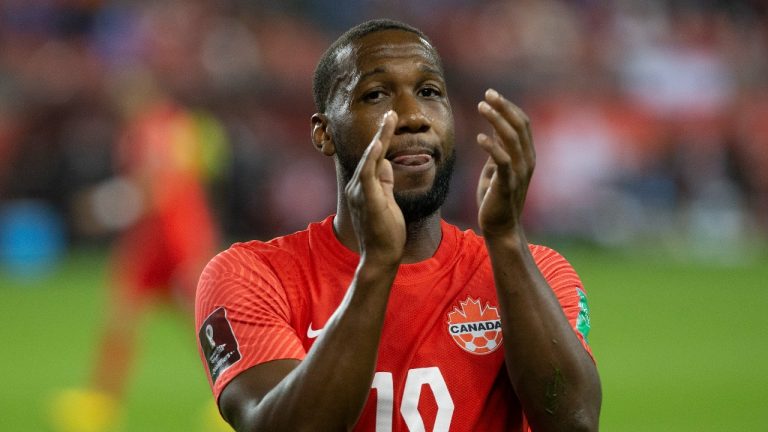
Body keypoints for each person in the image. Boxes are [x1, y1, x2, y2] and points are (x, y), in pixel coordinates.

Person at [195, 18, 601, 431]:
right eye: (375, 95)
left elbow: (576, 424)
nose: (413, 116)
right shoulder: (252, 276)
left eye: (429, 92)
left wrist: (508, 240)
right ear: (324, 133)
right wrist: (376, 267)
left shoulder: (537, 272)